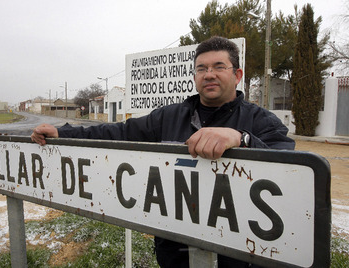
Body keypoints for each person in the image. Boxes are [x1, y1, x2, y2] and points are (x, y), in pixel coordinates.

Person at [31, 36, 295, 267]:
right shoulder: (168, 117)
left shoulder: (262, 122)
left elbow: (291, 172)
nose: (209, 74)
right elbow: (118, 132)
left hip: (237, 259)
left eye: (219, 67)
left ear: (237, 76)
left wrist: (242, 138)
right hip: (175, 254)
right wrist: (64, 133)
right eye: (201, 68)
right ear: (194, 77)